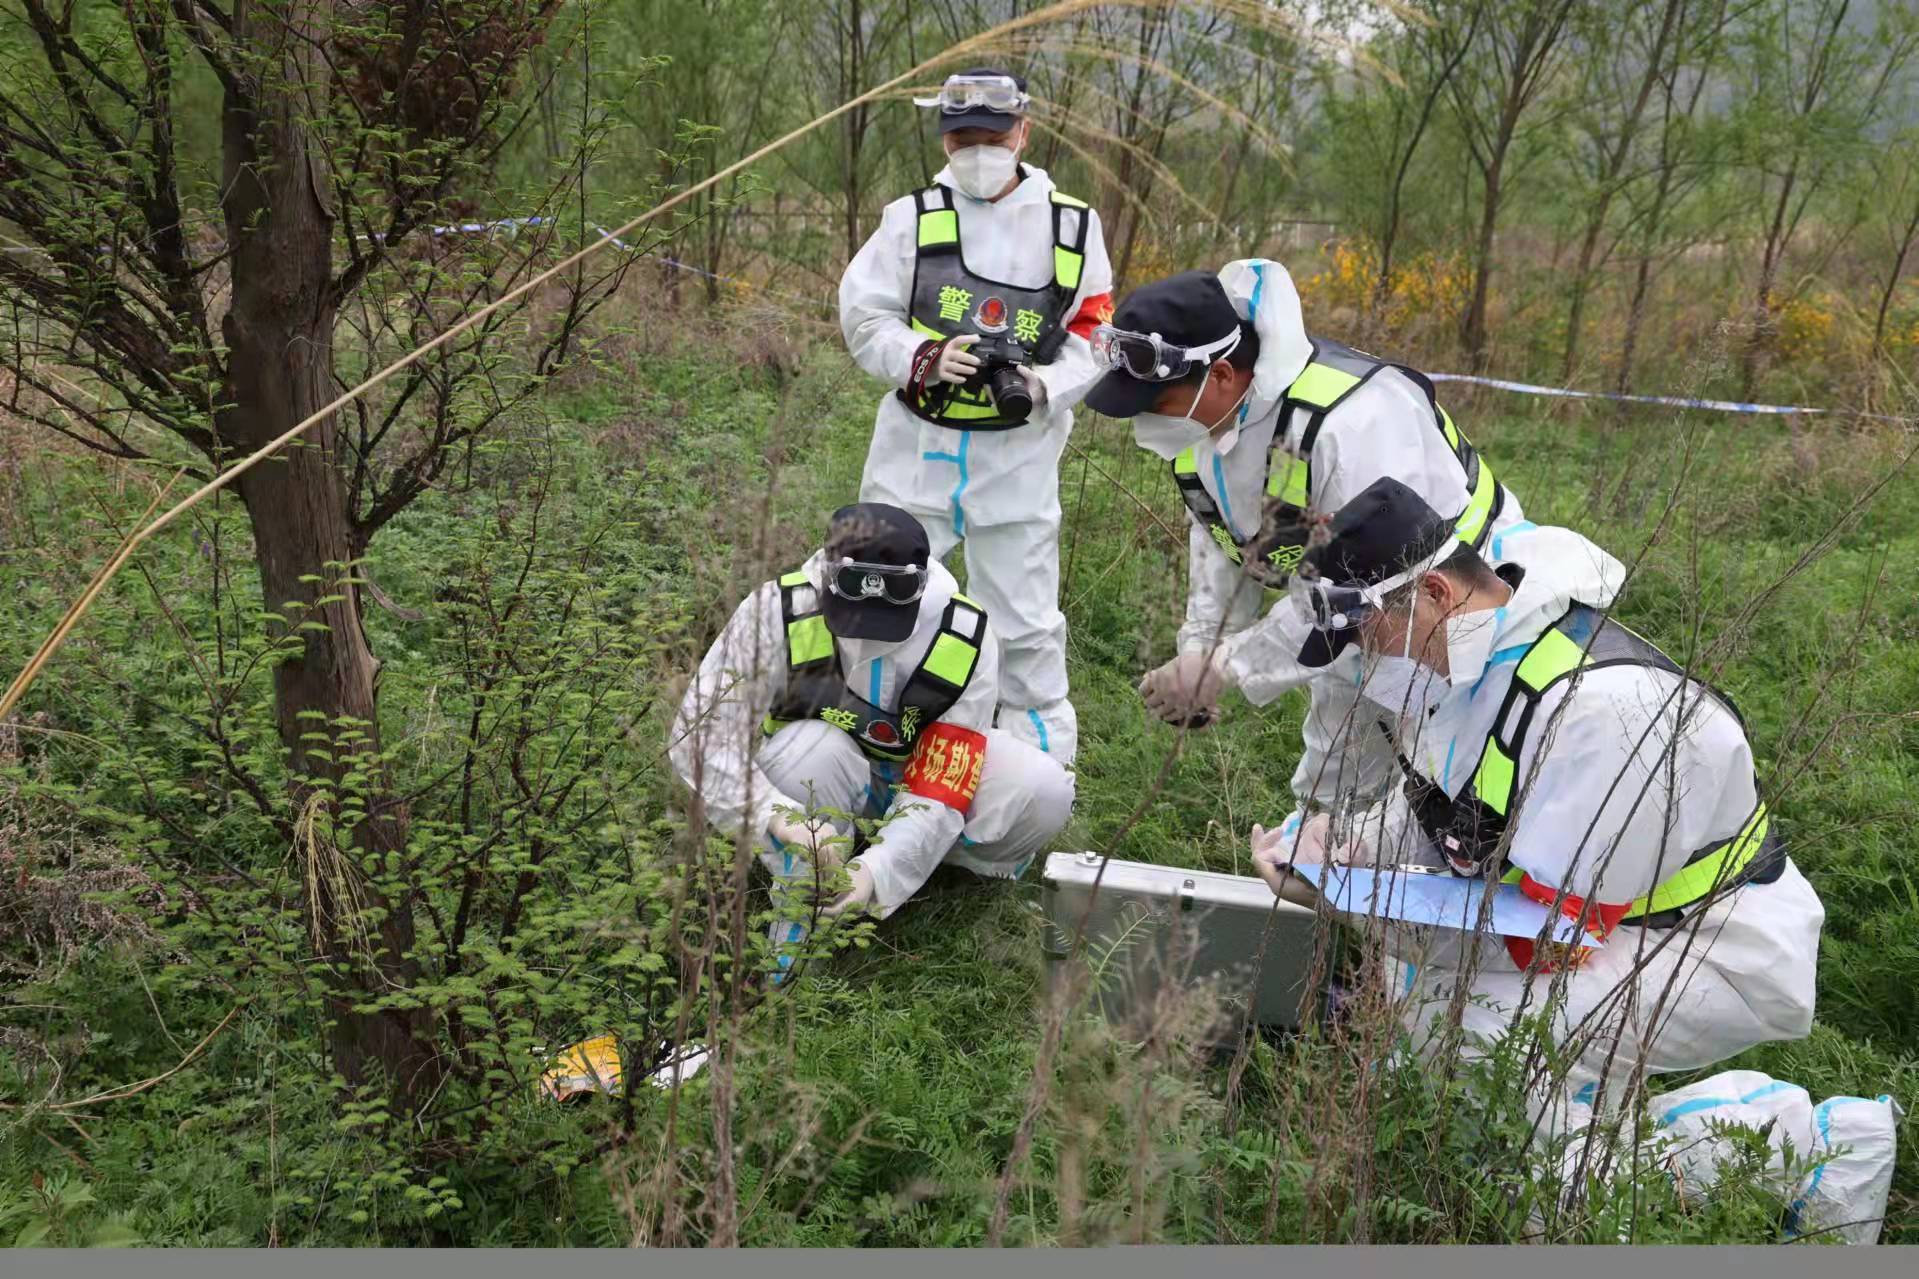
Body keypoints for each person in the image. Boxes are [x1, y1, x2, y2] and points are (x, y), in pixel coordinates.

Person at [1250, 476, 1824, 1115]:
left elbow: (1547, 941)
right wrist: (1349, 848)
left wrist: (1349, 903)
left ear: (1435, 593)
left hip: (1711, 946)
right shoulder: (1458, 662)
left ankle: (1811, 1156)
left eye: (1366, 636)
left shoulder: (1608, 715)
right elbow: (1449, 811)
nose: (1363, 660)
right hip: (1602, 920)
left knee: (1479, 1034)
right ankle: (1537, 1154)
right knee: (1418, 1006)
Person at [1082, 261, 1526, 818]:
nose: (1145, 421)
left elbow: (1380, 581)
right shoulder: (1206, 429)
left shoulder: (1352, 420)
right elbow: (1228, 544)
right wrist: (1200, 649)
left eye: (1155, 403)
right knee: (1333, 791)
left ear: (1220, 374)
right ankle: (1327, 875)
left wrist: (1225, 669)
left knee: (1450, 788)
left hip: (1451, 611)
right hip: (1353, 616)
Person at [669, 502, 1076, 982]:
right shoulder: (774, 613)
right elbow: (699, 737)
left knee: (1042, 790)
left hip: (909, 776)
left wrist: (875, 874)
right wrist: (770, 813)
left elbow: (940, 786)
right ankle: (807, 879)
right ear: (825, 574)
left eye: (886, 621)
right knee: (815, 748)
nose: (868, 640)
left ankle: (937, 873)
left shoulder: (963, 635)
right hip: (819, 775)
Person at [838, 68, 1116, 765]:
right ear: (942, 135)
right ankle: (866, 769)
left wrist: (1045, 383)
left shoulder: (1073, 227)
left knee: (1023, 630)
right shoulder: (910, 218)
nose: (979, 150)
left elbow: (1094, 334)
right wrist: (922, 354)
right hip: (914, 448)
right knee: (880, 606)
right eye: (963, 137)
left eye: (994, 136)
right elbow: (863, 316)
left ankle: (1034, 789)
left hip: (1016, 457)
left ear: (1023, 131)